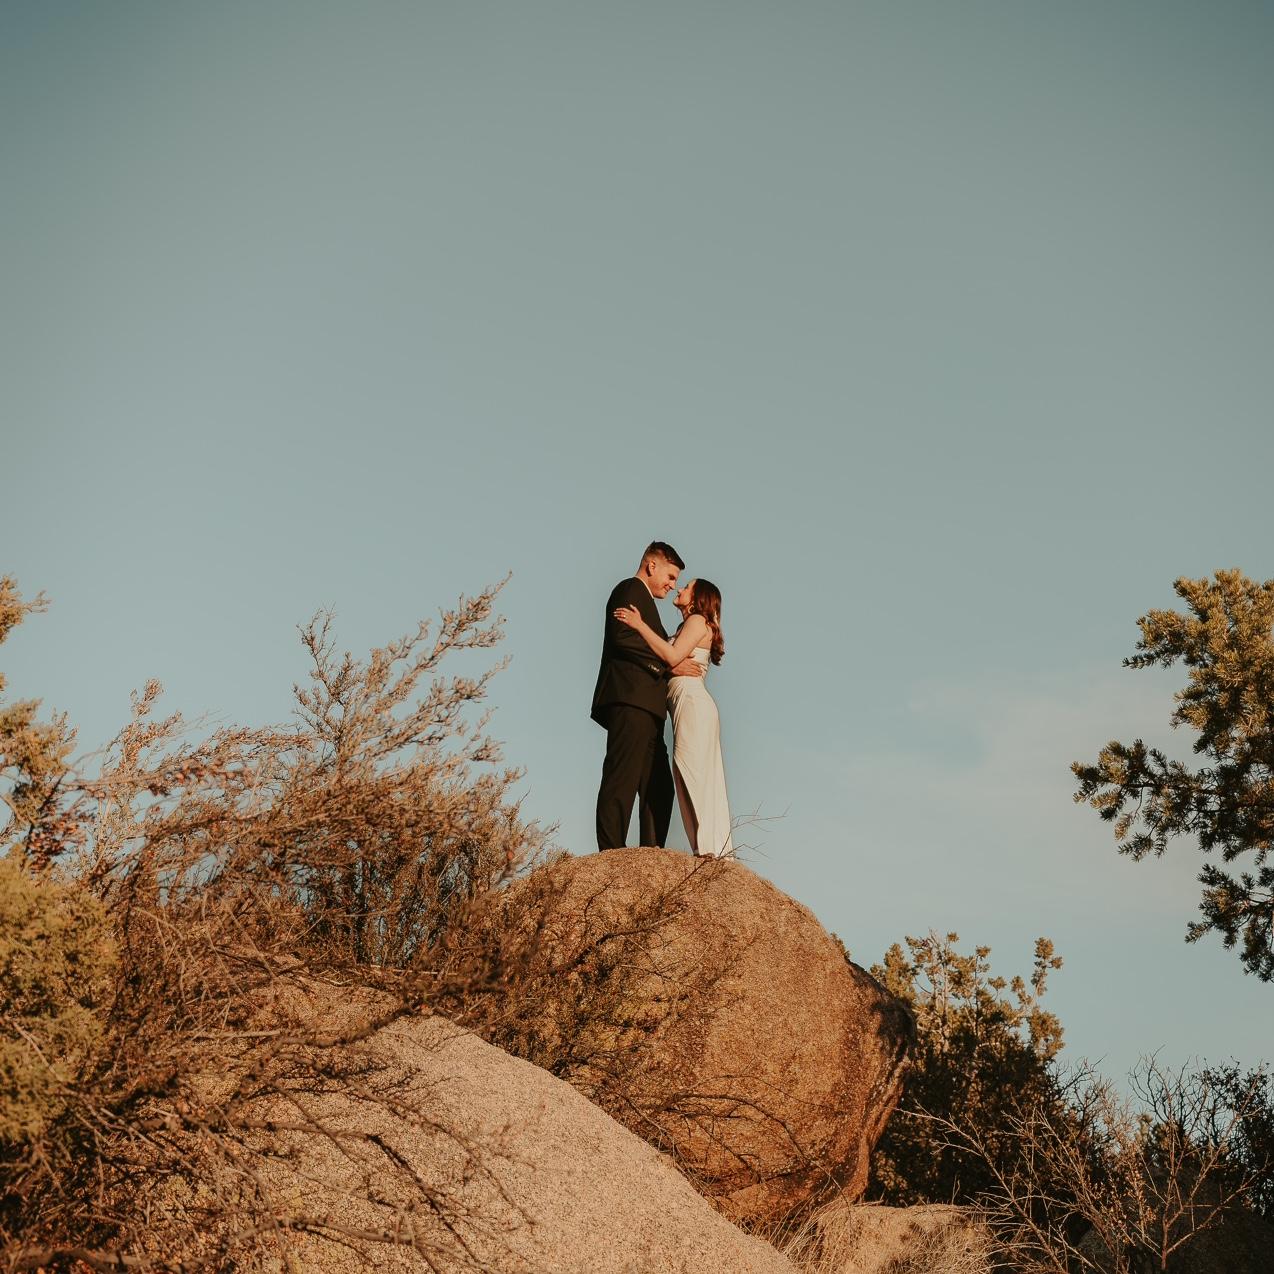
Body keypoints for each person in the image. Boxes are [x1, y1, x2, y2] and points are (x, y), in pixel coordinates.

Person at [591, 542, 704, 851]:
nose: (672, 585)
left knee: (659, 788)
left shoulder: (648, 605)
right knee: (622, 776)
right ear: (651, 566)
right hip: (630, 699)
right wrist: (669, 663)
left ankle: (650, 853)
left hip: (650, 709)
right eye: (670, 576)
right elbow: (622, 636)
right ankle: (611, 850)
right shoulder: (629, 589)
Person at [614, 578, 733, 858]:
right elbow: (671, 661)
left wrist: (639, 624)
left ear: (697, 598)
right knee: (686, 772)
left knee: (692, 770)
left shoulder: (697, 620)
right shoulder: (686, 626)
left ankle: (709, 849)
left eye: (687, 587)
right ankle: (704, 847)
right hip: (684, 705)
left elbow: (670, 654)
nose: (679, 589)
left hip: (693, 704)